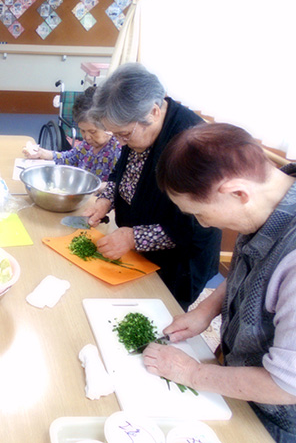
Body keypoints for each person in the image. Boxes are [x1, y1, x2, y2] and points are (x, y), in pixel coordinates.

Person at [146, 122, 296, 440]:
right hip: (240, 372)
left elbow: (286, 385)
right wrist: (207, 310)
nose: (202, 223)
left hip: (276, 418)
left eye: (200, 213)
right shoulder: (276, 192)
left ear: (238, 192)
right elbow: (257, 271)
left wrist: (194, 373)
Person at [83, 63, 221, 309]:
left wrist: (134, 237)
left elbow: (194, 227)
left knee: (160, 313)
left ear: (155, 111)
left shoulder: (193, 146)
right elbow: (122, 171)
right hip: (139, 250)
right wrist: (107, 198)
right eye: (115, 135)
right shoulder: (136, 130)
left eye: (124, 134)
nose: (121, 143)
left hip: (178, 263)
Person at [22, 86, 122, 182]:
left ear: (109, 126)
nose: (86, 137)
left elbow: (114, 186)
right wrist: (43, 153)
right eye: (82, 130)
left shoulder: (117, 151)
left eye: (92, 132)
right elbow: (69, 158)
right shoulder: (87, 145)